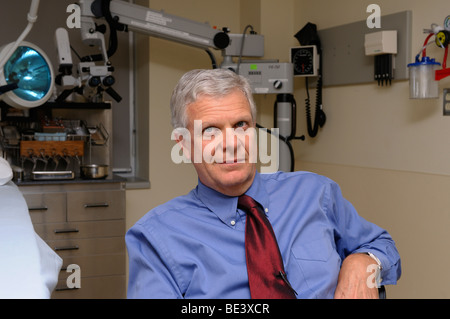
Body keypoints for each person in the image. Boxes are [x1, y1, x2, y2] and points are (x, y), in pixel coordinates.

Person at [125, 68, 401, 299]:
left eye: (241, 125)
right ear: (184, 144)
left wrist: (363, 262)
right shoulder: (156, 237)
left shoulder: (314, 193)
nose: (230, 143)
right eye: (210, 130)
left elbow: (382, 245)